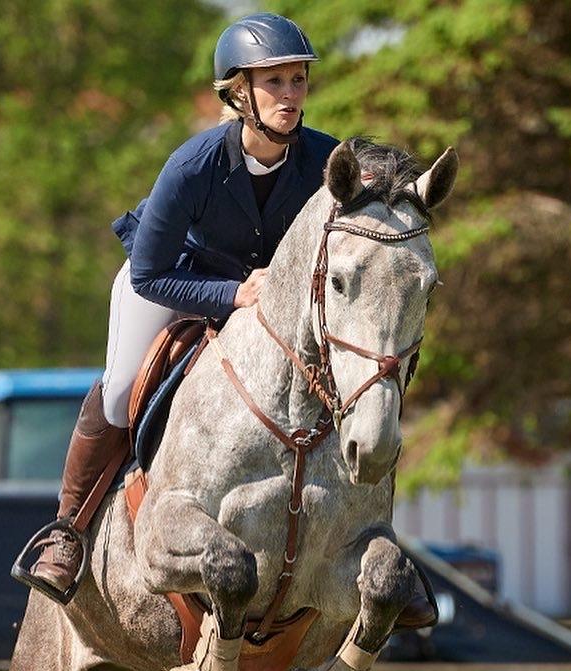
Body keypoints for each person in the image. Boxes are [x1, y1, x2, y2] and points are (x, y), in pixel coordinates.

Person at [17, 13, 339, 604]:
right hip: (173, 278)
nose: (291, 96)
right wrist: (232, 294)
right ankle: (67, 532)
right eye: (276, 83)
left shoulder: (324, 161)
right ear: (238, 92)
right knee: (119, 388)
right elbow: (149, 272)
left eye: (298, 81)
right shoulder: (193, 165)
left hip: (266, 298)